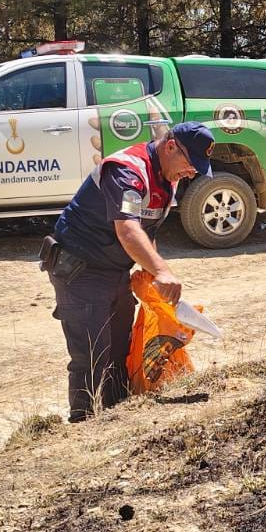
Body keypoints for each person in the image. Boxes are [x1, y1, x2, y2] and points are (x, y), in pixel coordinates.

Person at [39, 121, 214, 422]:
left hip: (115, 272)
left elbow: (147, 231)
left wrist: (150, 273)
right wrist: (162, 271)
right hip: (80, 270)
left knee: (121, 350)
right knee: (92, 357)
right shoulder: (126, 171)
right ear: (171, 147)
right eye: (190, 164)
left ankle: (117, 420)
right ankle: (84, 427)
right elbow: (128, 230)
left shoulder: (165, 178)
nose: (192, 172)